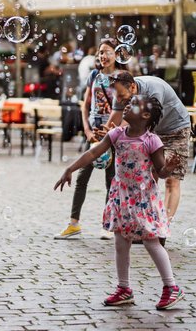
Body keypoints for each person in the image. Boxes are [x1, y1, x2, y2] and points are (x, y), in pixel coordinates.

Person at [56, 95, 185, 310]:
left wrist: (169, 169)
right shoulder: (116, 134)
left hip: (144, 199)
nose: (126, 105)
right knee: (120, 241)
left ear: (145, 115)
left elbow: (161, 172)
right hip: (122, 197)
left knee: (151, 241)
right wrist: (70, 168)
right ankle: (124, 289)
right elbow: (93, 152)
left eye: (133, 104)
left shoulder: (152, 140)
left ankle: (171, 287)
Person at [100, 70, 190, 227]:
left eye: (121, 96)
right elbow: (116, 115)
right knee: (148, 178)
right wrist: (107, 132)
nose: (119, 100)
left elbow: (145, 122)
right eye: (116, 97)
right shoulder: (119, 89)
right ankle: (145, 224)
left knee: (171, 180)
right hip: (154, 133)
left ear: (133, 87)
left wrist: (119, 132)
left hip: (176, 130)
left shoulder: (153, 90)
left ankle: (163, 227)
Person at [56, 39, 121, 240]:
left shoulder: (122, 78)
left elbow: (124, 109)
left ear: (116, 55)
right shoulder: (94, 75)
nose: (103, 56)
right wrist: (86, 129)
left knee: (111, 181)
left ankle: (108, 226)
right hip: (93, 135)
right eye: (101, 52)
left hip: (112, 136)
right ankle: (74, 223)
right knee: (82, 178)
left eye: (107, 52)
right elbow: (85, 105)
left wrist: (109, 131)